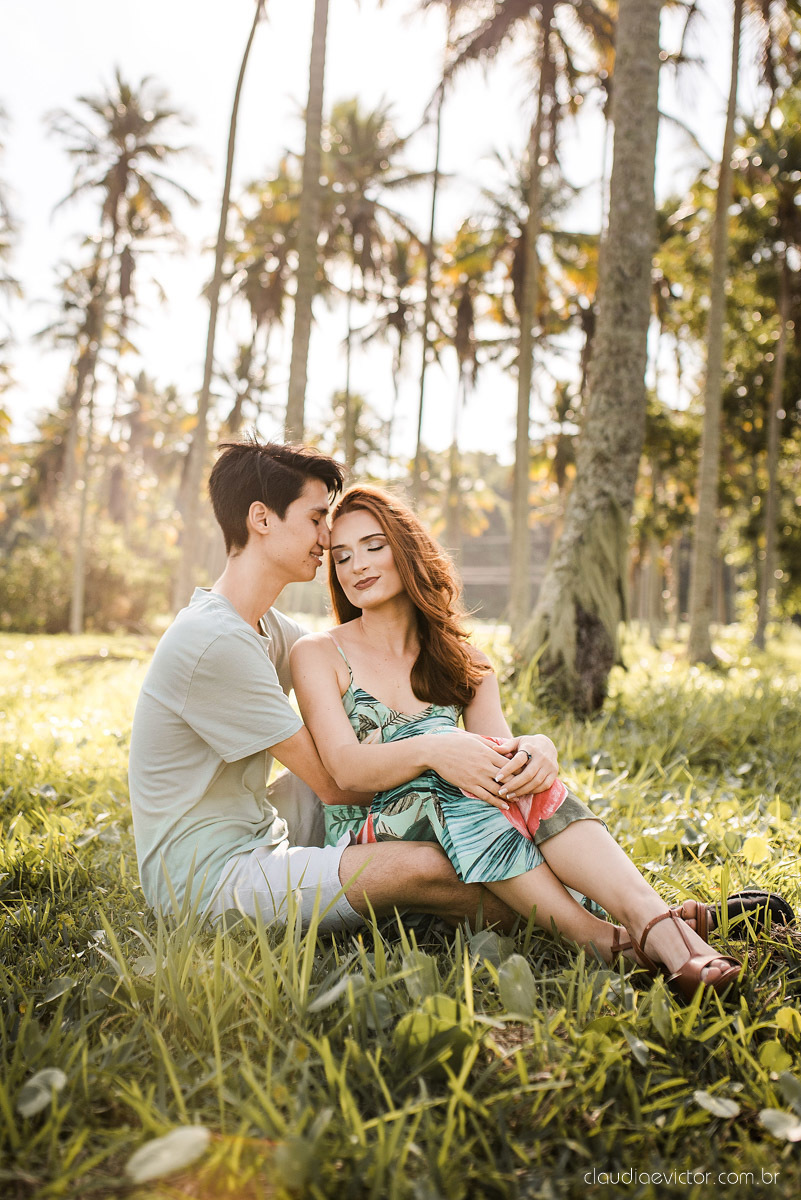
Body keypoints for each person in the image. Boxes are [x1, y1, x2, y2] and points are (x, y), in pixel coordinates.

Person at [290, 485, 745, 998]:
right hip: (375, 838)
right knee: (454, 786)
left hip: (467, 834)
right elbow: (346, 770)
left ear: (406, 548)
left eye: (374, 546)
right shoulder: (318, 653)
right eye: (342, 556)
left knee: (510, 777)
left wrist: (537, 749)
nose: (356, 566)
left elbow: (504, 769)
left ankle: (654, 924)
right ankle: (603, 939)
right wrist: (435, 749)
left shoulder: (467, 660)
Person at [128, 439, 539, 935]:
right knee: (426, 865)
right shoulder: (213, 639)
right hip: (207, 880)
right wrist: (446, 757)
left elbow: (371, 668)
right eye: (316, 518)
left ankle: (519, 864)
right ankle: (562, 923)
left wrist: (522, 749)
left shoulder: (269, 628)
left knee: (388, 749)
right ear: (262, 519)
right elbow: (337, 784)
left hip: (267, 826)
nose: (327, 538)